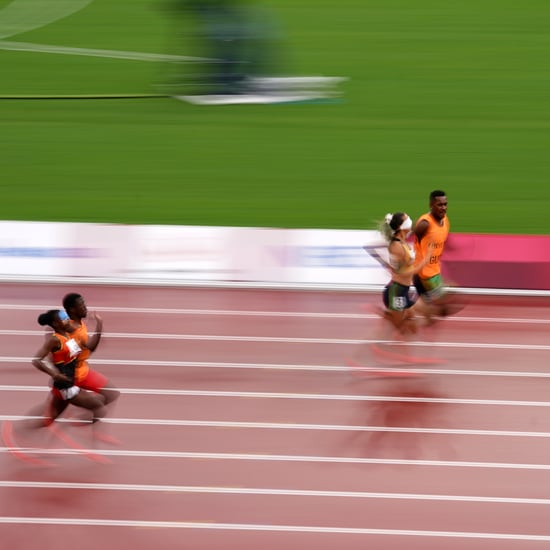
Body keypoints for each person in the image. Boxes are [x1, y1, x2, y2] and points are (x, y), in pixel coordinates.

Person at [62, 293, 120, 407]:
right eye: (81, 305)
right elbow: (91, 346)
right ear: (72, 309)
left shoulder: (76, 323)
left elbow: (84, 348)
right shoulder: (74, 330)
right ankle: (83, 416)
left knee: (111, 394)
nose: (85, 307)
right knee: (104, 401)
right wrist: (99, 325)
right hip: (76, 375)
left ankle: (83, 414)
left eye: (84, 304)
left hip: (82, 370)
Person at [413, 190, 461, 317]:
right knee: (442, 306)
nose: (443, 207)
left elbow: (443, 239)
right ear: (431, 205)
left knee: (429, 314)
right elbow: (410, 236)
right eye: (440, 205)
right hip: (424, 274)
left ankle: (408, 312)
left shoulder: (445, 220)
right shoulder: (424, 224)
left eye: (445, 204)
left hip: (434, 271)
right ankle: (407, 309)